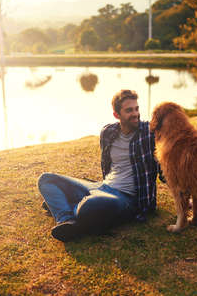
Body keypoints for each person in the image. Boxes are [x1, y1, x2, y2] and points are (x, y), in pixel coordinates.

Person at [37, 89, 162, 242]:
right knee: (46, 180)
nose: (135, 114)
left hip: (128, 199)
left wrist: (186, 196)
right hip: (101, 187)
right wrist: (98, 188)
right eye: (129, 110)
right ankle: (66, 220)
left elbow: (168, 169)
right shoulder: (108, 132)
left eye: (136, 109)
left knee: (90, 205)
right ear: (117, 115)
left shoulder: (149, 133)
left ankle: (64, 204)